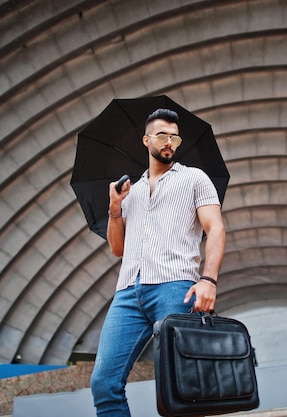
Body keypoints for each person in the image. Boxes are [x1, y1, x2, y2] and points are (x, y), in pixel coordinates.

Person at [90, 108, 226, 416]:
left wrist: (208, 279)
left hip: (174, 287)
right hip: (127, 292)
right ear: (146, 139)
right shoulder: (131, 192)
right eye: (162, 135)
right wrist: (114, 207)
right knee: (103, 382)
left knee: (182, 382)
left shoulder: (194, 178)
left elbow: (215, 228)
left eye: (174, 137)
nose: (169, 141)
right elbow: (117, 248)